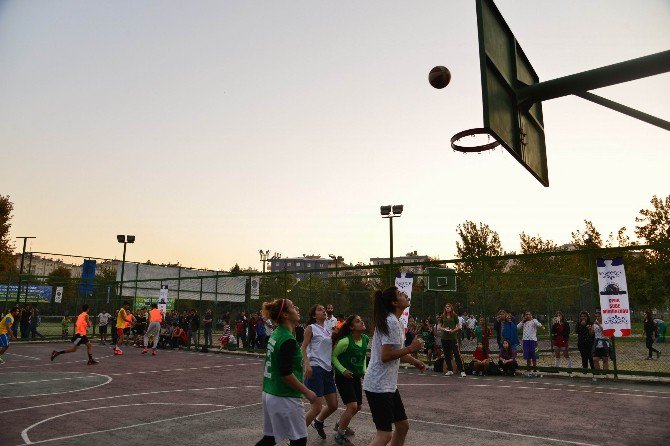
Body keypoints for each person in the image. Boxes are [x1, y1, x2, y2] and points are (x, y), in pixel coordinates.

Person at [363, 287, 426, 446]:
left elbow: (396, 351)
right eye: (400, 294)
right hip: (378, 386)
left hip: (387, 384)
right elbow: (386, 356)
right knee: (384, 435)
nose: (405, 294)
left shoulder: (394, 320)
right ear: (394, 302)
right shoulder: (391, 321)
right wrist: (412, 348)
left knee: (402, 427)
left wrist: (414, 361)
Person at [254, 298, 316, 446]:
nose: (297, 309)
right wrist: (307, 392)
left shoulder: (276, 334)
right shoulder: (287, 339)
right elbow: (286, 374)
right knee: (299, 440)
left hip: (270, 392)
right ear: (286, 315)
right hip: (284, 396)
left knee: (269, 439)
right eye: (293, 307)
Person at [301, 304, 338, 439]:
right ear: (313, 315)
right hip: (315, 368)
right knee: (316, 407)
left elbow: (328, 349)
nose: (323, 311)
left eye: (324, 309)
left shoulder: (327, 330)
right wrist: (307, 364)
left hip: (327, 370)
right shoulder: (311, 328)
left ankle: (318, 422)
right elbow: (303, 347)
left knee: (333, 405)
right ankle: (295, 437)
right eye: (320, 309)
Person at [331, 314, 368, 445]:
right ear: (352, 327)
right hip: (343, 378)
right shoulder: (345, 341)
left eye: (361, 320)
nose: (362, 322)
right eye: (358, 321)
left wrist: (363, 370)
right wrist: (343, 370)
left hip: (355, 377)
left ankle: (341, 424)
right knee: (352, 406)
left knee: (357, 407)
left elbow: (363, 356)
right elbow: (333, 357)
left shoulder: (365, 339)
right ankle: (340, 434)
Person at [438, 303, 466, 377]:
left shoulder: (454, 316)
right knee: (447, 354)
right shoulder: (443, 316)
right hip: (444, 338)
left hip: (453, 338)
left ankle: (462, 371)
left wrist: (453, 331)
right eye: (446, 307)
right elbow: (439, 326)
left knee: (456, 354)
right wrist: (444, 329)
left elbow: (459, 326)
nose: (447, 308)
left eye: (449, 307)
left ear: (451, 308)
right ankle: (450, 370)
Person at [518, 311, 543, 375]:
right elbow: (517, 327)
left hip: (533, 340)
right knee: (527, 354)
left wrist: (533, 320)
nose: (528, 316)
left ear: (531, 315)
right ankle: (528, 367)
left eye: (529, 314)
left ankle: (535, 367)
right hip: (525, 340)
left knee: (534, 354)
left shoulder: (534, 321)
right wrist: (522, 321)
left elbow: (539, 325)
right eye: (526, 314)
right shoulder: (523, 322)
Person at [590, 310, 610, 377]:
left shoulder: (606, 323)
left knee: (605, 359)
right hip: (597, 343)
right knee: (595, 359)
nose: (597, 318)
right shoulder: (594, 324)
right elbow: (591, 333)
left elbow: (605, 333)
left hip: (604, 343)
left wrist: (599, 324)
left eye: (599, 316)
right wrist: (590, 329)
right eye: (596, 316)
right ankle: (598, 373)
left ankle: (605, 374)